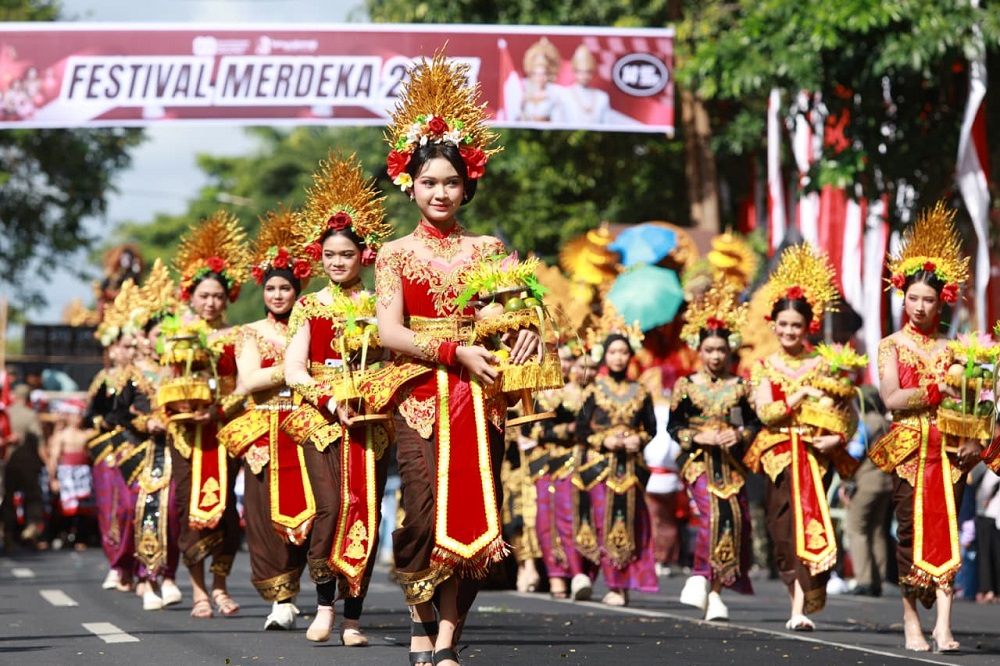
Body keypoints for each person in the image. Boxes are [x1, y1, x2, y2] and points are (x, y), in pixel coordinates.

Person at [377, 52, 540, 666]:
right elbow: (389, 331)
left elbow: (519, 309)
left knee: (475, 515)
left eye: (450, 182)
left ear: (466, 185)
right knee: (420, 516)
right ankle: (421, 617)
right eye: (429, 182)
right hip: (420, 393)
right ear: (411, 185)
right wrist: (453, 350)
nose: (440, 192)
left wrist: (529, 331)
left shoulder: (488, 248)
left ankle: (447, 638)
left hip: (479, 397)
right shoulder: (393, 254)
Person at [284, 152, 395, 645]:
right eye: (329, 254)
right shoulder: (309, 305)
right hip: (323, 417)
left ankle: (353, 618)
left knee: (365, 510)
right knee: (331, 507)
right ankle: (324, 605)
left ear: (362, 256)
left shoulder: (380, 305)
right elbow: (293, 368)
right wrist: (329, 401)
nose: (336, 262)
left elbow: (393, 359)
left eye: (346, 254)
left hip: (369, 418)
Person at [868, 203, 982, 653]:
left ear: (942, 301)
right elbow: (892, 398)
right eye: (913, 298)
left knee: (948, 530)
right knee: (909, 534)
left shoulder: (955, 348)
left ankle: (945, 626)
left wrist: (974, 438)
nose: (919, 306)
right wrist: (935, 390)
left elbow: (975, 403)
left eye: (928, 300)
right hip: (911, 452)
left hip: (951, 454)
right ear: (902, 297)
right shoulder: (890, 346)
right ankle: (911, 619)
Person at [743, 244, 846, 631]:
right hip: (779, 456)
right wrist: (800, 394)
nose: (788, 331)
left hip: (816, 457)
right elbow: (766, 412)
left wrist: (837, 439)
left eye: (796, 326)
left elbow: (845, 413)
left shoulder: (824, 363)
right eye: (783, 324)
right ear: (773, 324)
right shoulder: (764, 366)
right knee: (782, 529)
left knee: (811, 524)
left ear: (808, 327)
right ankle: (795, 600)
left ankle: (800, 607)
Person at [224, 209, 316, 631]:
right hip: (263, 431)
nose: (278, 295)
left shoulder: (310, 325)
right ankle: (280, 599)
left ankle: (299, 591)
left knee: (310, 512)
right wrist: (294, 367)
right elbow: (247, 380)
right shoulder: (250, 332)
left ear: (297, 290)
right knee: (262, 516)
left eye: (286, 288)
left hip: (302, 427)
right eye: (272, 288)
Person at [169, 211, 249, 619]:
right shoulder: (177, 337)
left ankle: (220, 586)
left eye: (217, 295)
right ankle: (198, 591)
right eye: (204, 296)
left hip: (223, 432)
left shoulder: (238, 337)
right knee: (190, 512)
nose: (211, 302)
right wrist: (178, 410)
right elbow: (166, 386)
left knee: (226, 514)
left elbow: (243, 386)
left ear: (227, 298)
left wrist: (218, 409)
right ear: (191, 297)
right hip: (187, 437)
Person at [670, 284, 760, 621]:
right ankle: (699, 576)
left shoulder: (741, 387)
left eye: (721, 349)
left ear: (730, 349)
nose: (716, 356)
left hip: (731, 464)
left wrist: (737, 434)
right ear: (699, 349)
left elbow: (754, 425)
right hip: (698, 463)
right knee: (712, 516)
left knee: (734, 522)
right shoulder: (686, 386)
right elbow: (674, 428)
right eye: (709, 350)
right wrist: (699, 436)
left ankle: (717, 593)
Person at [574, 307, 659, 607]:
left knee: (629, 523)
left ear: (630, 355)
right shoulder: (593, 389)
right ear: (604, 355)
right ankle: (609, 582)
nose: (619, 358)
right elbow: (581, 429)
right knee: (603, 522)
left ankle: (623, 585)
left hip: (631, 470)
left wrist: (640, 439)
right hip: (600, 468)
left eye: (623, 352)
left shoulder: (641, 390)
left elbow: (652, 428)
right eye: (613, 352)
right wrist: (605, 439)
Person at [531, 348, 598, 600]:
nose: (585, 371)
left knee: (592, 520)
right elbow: (536, 431)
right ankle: (558, 576)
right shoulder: (553, 394)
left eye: (591, 367)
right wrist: (569, 430)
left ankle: (584, 574)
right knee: (553, 520)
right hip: (557, 465)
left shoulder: (599, 393)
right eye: (579, 365)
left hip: (591, 464)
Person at [842, 385, 893, 597]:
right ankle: (878, 579)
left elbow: (854, 454)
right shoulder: (888, 424)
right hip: (887, 482)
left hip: (866, 482)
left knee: (857, 529)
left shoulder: (865, 424)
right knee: (878, 530)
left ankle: (864, 580)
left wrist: (846, 482)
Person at [47, 399, 94, 550]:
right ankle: (64, 535)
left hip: (83, 473)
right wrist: (53, 479)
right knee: (66, 506)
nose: (78, 418)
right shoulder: (61, 435)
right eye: (75, 415)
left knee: (83, 507)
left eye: (80, 415)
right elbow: (54, 458)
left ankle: (81, 537)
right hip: (66, 473)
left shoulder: (86, 434)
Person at [1, 384, 45, 550]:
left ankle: (8, 536)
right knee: (33, 498)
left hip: (8, 463)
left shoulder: (6, 413)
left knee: (8, 499)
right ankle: (30, 530)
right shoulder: (30, 415)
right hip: (28, 465)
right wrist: (48, 463)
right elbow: (39, 440)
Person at [552, 44, 610, 125]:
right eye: (580, 72)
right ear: (574, 72)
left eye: (588, 72)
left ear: (592, 73)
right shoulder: (564, 95)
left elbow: (607, 125)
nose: (584, 76)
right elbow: (557, 123)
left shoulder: (602, 97)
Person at [518, 37, 561, 122]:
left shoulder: (555, 92)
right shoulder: (524, 89)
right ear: (532, 75)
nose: (540, 78)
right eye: (537, 74)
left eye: (543, 74)